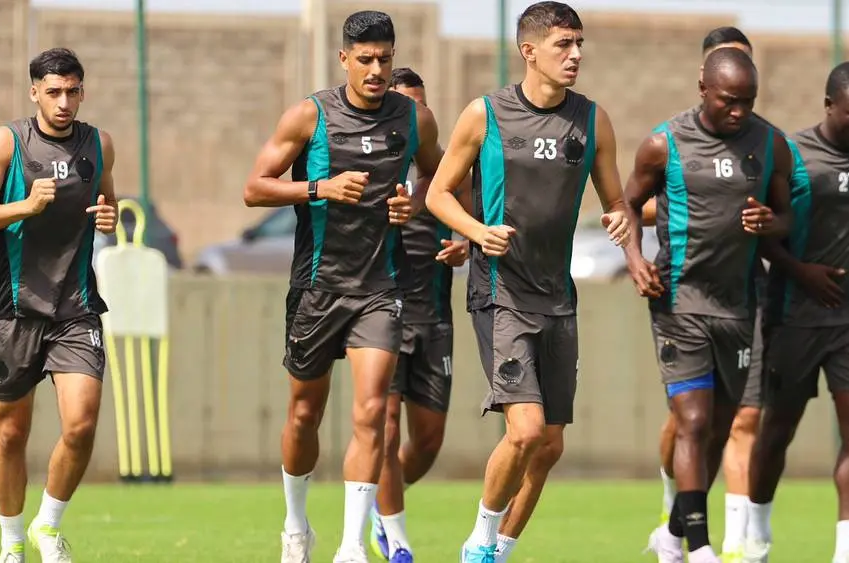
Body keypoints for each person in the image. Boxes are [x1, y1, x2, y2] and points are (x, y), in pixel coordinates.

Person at [425, 3, 635, 562]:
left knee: (548, 445)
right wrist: (477, 232)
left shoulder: (593, 121)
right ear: (529, 51)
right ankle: (479, 540)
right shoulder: (485, 115)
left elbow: (617, 201)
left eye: (579, 43)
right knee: (525, 430)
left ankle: (500, 550)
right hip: (501, 292)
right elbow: (437, 194)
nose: (576, 54)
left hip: (558, 298)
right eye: (564, 44)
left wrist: (619, 217)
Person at [241, 10, 444, 563]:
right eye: (366, 60)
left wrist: (413, 202)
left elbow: (439, 174)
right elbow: (255, 189)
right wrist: (320, 188)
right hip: (317, 288)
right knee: (304, 414)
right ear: (344, 60)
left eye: (385, 59)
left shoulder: (414, 119)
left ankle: (352, 545)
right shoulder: (310, 115)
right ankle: (295, 525)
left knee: (372, 410)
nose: (376, 70)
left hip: (380, 288)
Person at [623, 47, 793, 563]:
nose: (739, 111)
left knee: (719, 430)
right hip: (679, 301)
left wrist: (771, 223)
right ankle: (700, 548)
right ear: (703, 89)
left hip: (738, 307)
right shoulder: (664, 143)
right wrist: (635, 259)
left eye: (748, 101)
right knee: (693, 421)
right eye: (728, 101)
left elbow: (786, 217)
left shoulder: (771, 144)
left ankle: (673, 534)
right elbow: (627, 204)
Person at [0, 47, 118, 563]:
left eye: (72, 91)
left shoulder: (99, 144)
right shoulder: (7, 142)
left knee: (82, 424)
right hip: (17, 309)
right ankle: (11, 544)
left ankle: (47, 526)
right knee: (11, 433)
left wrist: (110, 217)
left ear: (82, 91)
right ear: (34, 93)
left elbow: (106, 201)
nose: (64, 102)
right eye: (54, 92)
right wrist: (25, 206)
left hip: (77, 307)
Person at [745, 61, 849, 563]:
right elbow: (764, 232)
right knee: (779, 428)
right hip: (794, 314)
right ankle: (755, 537)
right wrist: (800, 271)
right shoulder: (790, 155)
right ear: (829, 105)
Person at [368, 68, 471, 563]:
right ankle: (397, 538)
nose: (416, 113)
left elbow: (470, 217)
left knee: (427, 442)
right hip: (381, 312)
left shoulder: (446, 168)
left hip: (433, 317)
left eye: (422, 105)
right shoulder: (368, 162)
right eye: (407, 104)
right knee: (385, 428)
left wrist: (464, 242)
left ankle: (378, 502)